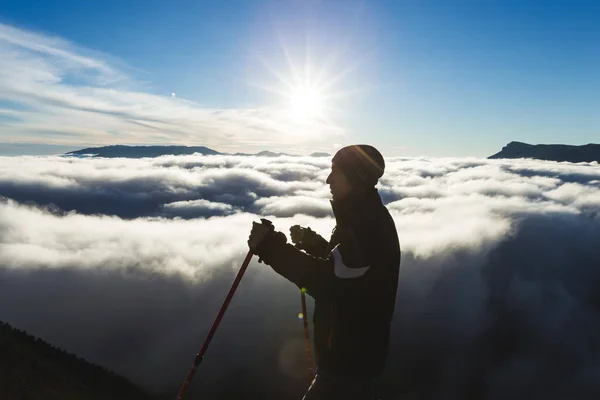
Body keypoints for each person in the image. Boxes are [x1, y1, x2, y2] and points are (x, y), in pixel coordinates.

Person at [248, 144, 401, 400]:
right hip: (356, 360)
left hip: (346, 369)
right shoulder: (363, 219)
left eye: (335, 172)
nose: (328, 179)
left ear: (355, 177)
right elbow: (348, 269)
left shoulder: (366, 228)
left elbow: (327, 283)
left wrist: (270, 248)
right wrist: (315, 244)